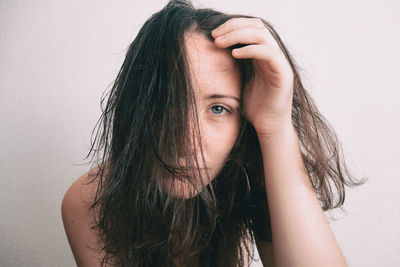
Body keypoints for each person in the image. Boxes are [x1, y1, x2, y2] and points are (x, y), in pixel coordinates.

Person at [61, 0, 366, 266]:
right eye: (168, 104)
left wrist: (276, 127)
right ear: (136, 107)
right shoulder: (92, 202)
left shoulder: (247, 178)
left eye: (219, 108)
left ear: (242, 122)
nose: (185, 143)